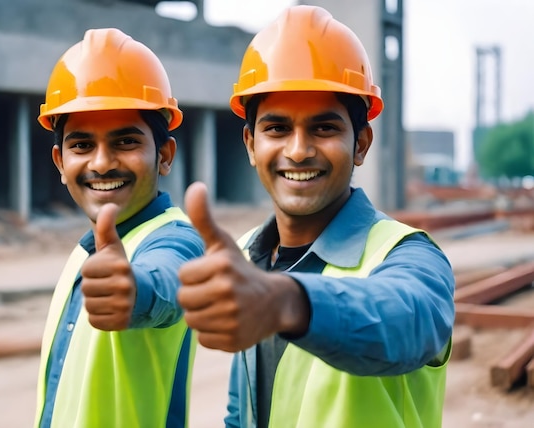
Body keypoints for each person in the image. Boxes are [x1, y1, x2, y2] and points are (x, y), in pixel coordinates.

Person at [177, 5, 455, 428]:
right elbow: (242, 411)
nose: (299, 150)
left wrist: (286, 300)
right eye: (277, 129)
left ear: (361, 143)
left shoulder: (410, 257)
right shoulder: (249, 257)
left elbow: (408, 322)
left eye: (324, 128)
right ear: (251, 144)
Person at [33, 28, 204, 428]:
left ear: (164, 155)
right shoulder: (86, 251)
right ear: (60, 162)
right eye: (81, 145)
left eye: (125, 142)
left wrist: (136, 291)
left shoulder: (178, 240)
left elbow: (167, 281)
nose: (101, 163)